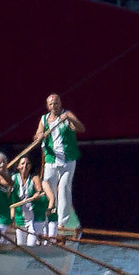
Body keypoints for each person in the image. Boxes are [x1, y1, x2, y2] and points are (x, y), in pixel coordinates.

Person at [32, 94, 84, 238]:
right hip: (51, 159)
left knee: (65, 187)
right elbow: (37, 136)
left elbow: (81, 128)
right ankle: (51, 218)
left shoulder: (66, 115)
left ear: (60, 104)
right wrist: (40, 136)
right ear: (48, 106)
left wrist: (70, 118)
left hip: (68, 159)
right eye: (51, 104)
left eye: (56, 103)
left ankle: (62, 222)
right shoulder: (44, 119)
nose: (54, 106)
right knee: (48, 185)